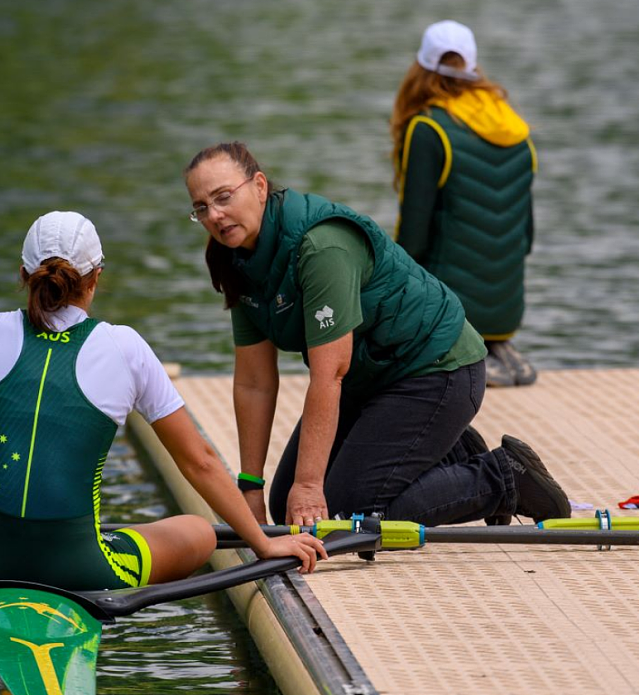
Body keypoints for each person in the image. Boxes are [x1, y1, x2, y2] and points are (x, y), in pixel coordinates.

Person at [0, 211, 326, 590]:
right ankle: (84, 542)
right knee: (200, 531)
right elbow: (199, 461)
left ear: (23, 275)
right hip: (76, 566)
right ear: (96, 278)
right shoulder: (124, 347)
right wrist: (264, 543)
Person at [183, 142, 569, 530]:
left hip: (438, 370)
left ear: (260, 186)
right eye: (202, 207)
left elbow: (329, 374)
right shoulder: (236, 260)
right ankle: (451, 453)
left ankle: (503, 478)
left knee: (343, 515)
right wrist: (250, 489)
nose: (215, 215)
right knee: (286, 502)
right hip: (370, 380)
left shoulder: (321, 246)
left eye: (224, 197)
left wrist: (311, 484)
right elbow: (254, 383)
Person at [390, 20, 538, 387]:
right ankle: (498, 347)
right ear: (474, 67)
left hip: (450, 312)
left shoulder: (428, 128)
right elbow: (528, 237)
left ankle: (462, 350)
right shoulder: (515, 126)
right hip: (507, 310)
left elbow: (413, 241)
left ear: (420, 68)